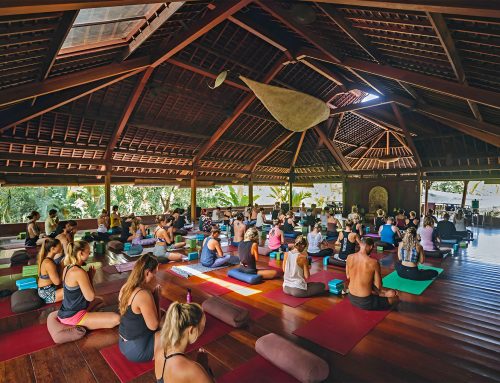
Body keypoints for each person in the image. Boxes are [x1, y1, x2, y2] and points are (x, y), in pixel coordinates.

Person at [58, 240, 120, 329]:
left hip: (66, 310)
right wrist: (90, 277)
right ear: (80, 253)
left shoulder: (67, 268)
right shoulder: (79, 272)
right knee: (116, 319)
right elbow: (90, 297)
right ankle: (84, 321)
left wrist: (89, 276)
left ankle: (91, 318)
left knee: (100, 300)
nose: (90, 253)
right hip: (73, 315)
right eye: (88, 252)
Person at [154, 302, 213, 383]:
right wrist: (204, 367)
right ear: (192, 330)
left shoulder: (159, 345)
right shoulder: (192, 370)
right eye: (202, 327)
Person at [118, 254, 162, 362]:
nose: (155, 277)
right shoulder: (143, 294)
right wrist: (157, 299)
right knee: (175, 329)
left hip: (123, 344)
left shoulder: (126, 287)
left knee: (164, 314)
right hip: (137, 350)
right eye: (154, 273)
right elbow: (154, 326)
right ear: (147, 272)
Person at [346, 237, 398, 310]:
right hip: (365, 301)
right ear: (371, 246)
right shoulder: (373, 262)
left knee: (388, 293)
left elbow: (348, 276)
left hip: (351, 297)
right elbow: (378, 286)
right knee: (395, 298)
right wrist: (384, 294)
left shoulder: (349, 257)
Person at [37, 238, 64, 303]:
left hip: (49, 289)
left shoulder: (49, 259)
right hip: (47, 293)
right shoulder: (48, 263)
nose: (61, 246)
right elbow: (57, 282)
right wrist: (62, 267)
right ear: (53, 249)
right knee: (74, 289)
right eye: (59, 245)